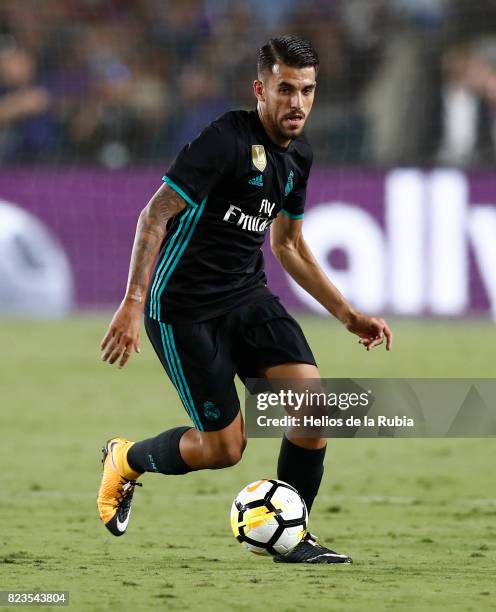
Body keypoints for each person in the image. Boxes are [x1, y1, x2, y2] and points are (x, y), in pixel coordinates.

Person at [97, 35, 392, 564]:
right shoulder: (224, 140)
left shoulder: (299, 156)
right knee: (224, 449)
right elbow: (155, 214)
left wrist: (348, 314)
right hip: (183, 309)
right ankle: (126, 459)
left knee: (313, 406)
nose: (297, 103)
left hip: (246, 296)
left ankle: (291, 536)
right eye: (285, 89)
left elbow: (288, 244)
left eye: (307, 90)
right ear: (260, 88)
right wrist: (133, 300)